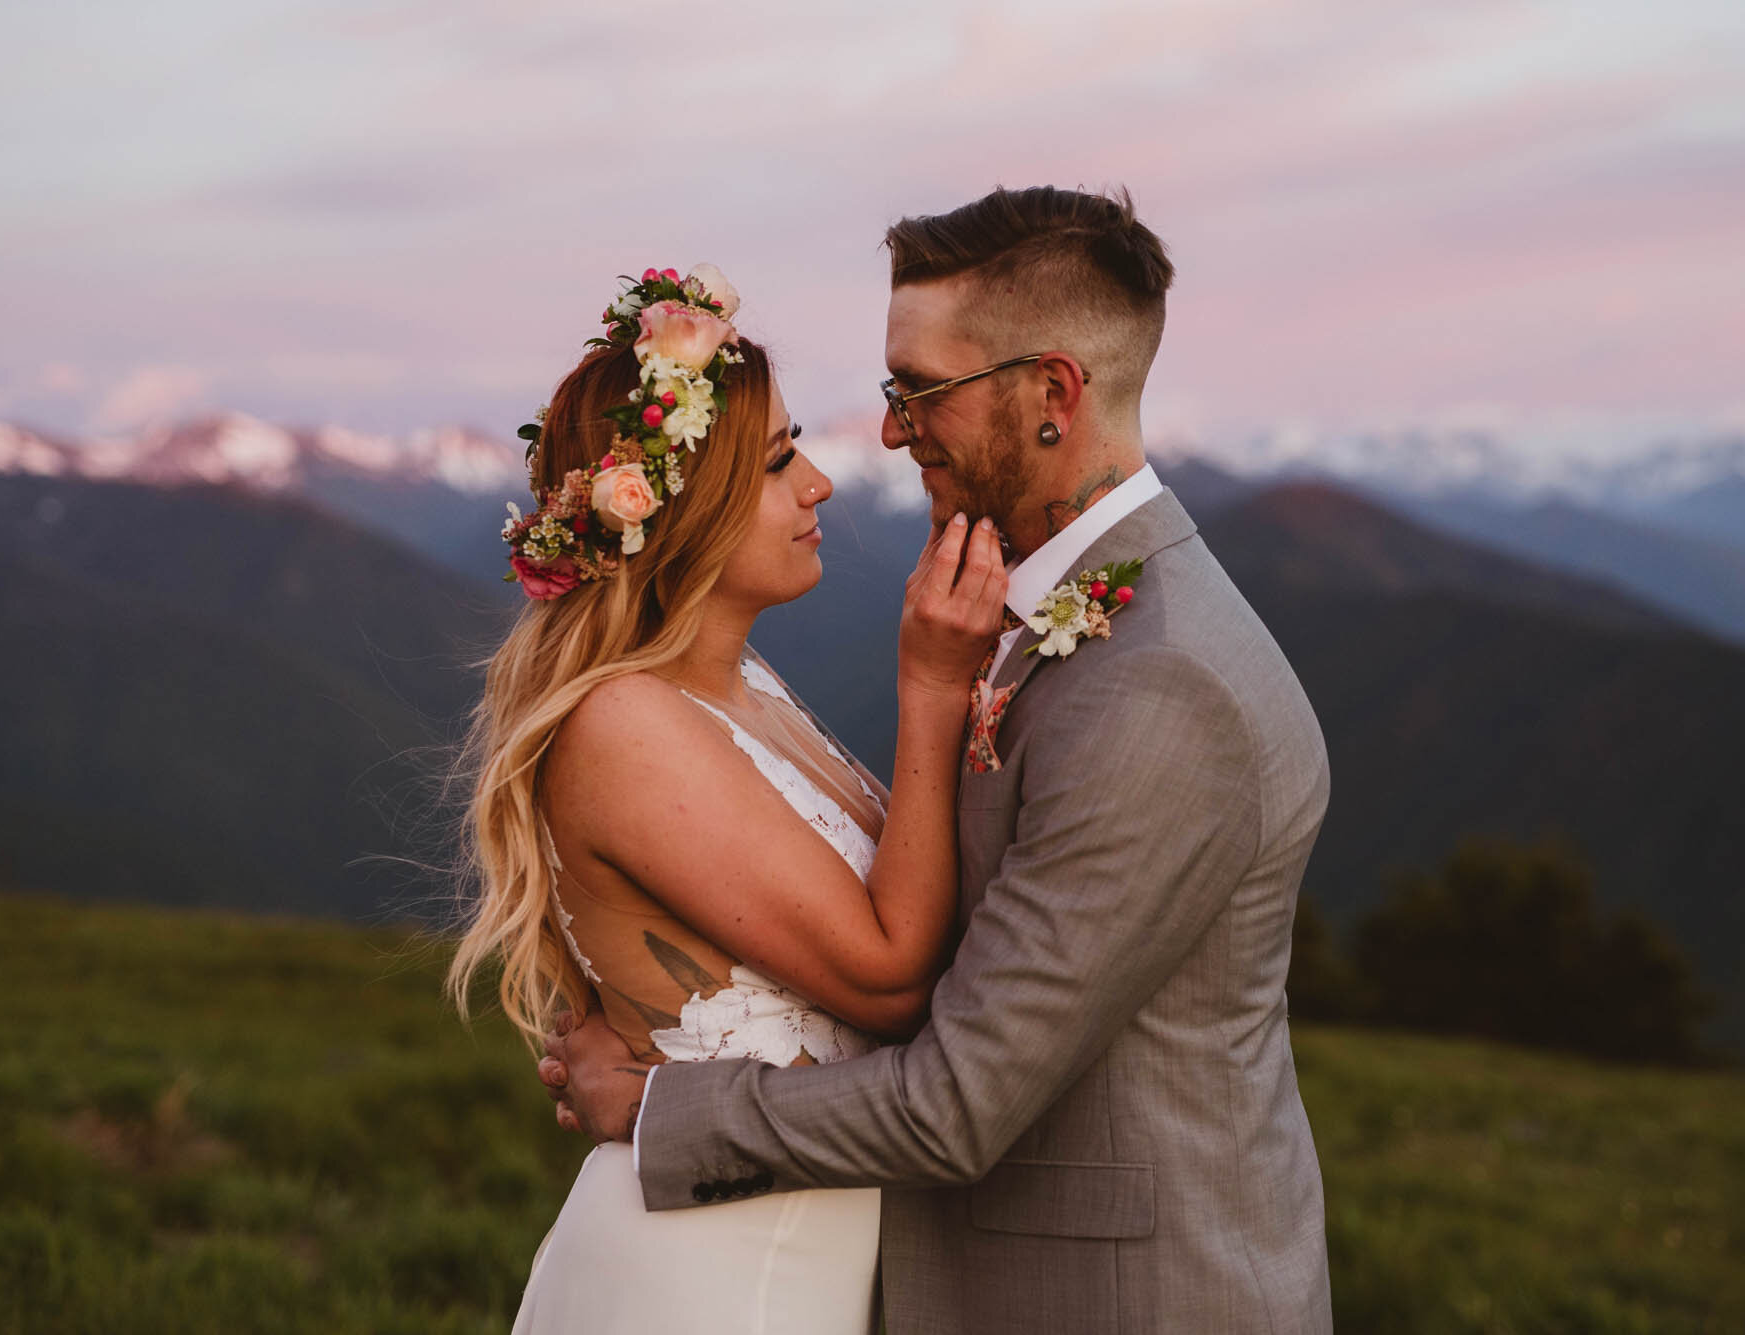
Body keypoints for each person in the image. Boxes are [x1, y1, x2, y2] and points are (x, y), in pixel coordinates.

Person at [544, 188, 1336, 1333]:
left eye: (920, 392)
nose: (885, 433)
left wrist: (661, 1102)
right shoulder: (1037, 610)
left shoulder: (1160, 687)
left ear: (1051, 393)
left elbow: (960, 1101)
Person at [446, 263, 1008, 1333]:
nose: (819, 487)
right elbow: (887, 979)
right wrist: (931, 689)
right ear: (681, 508)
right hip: (708, 1277)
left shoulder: (742, 685)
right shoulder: (624, 724)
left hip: (784, 1257)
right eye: (777, 461)